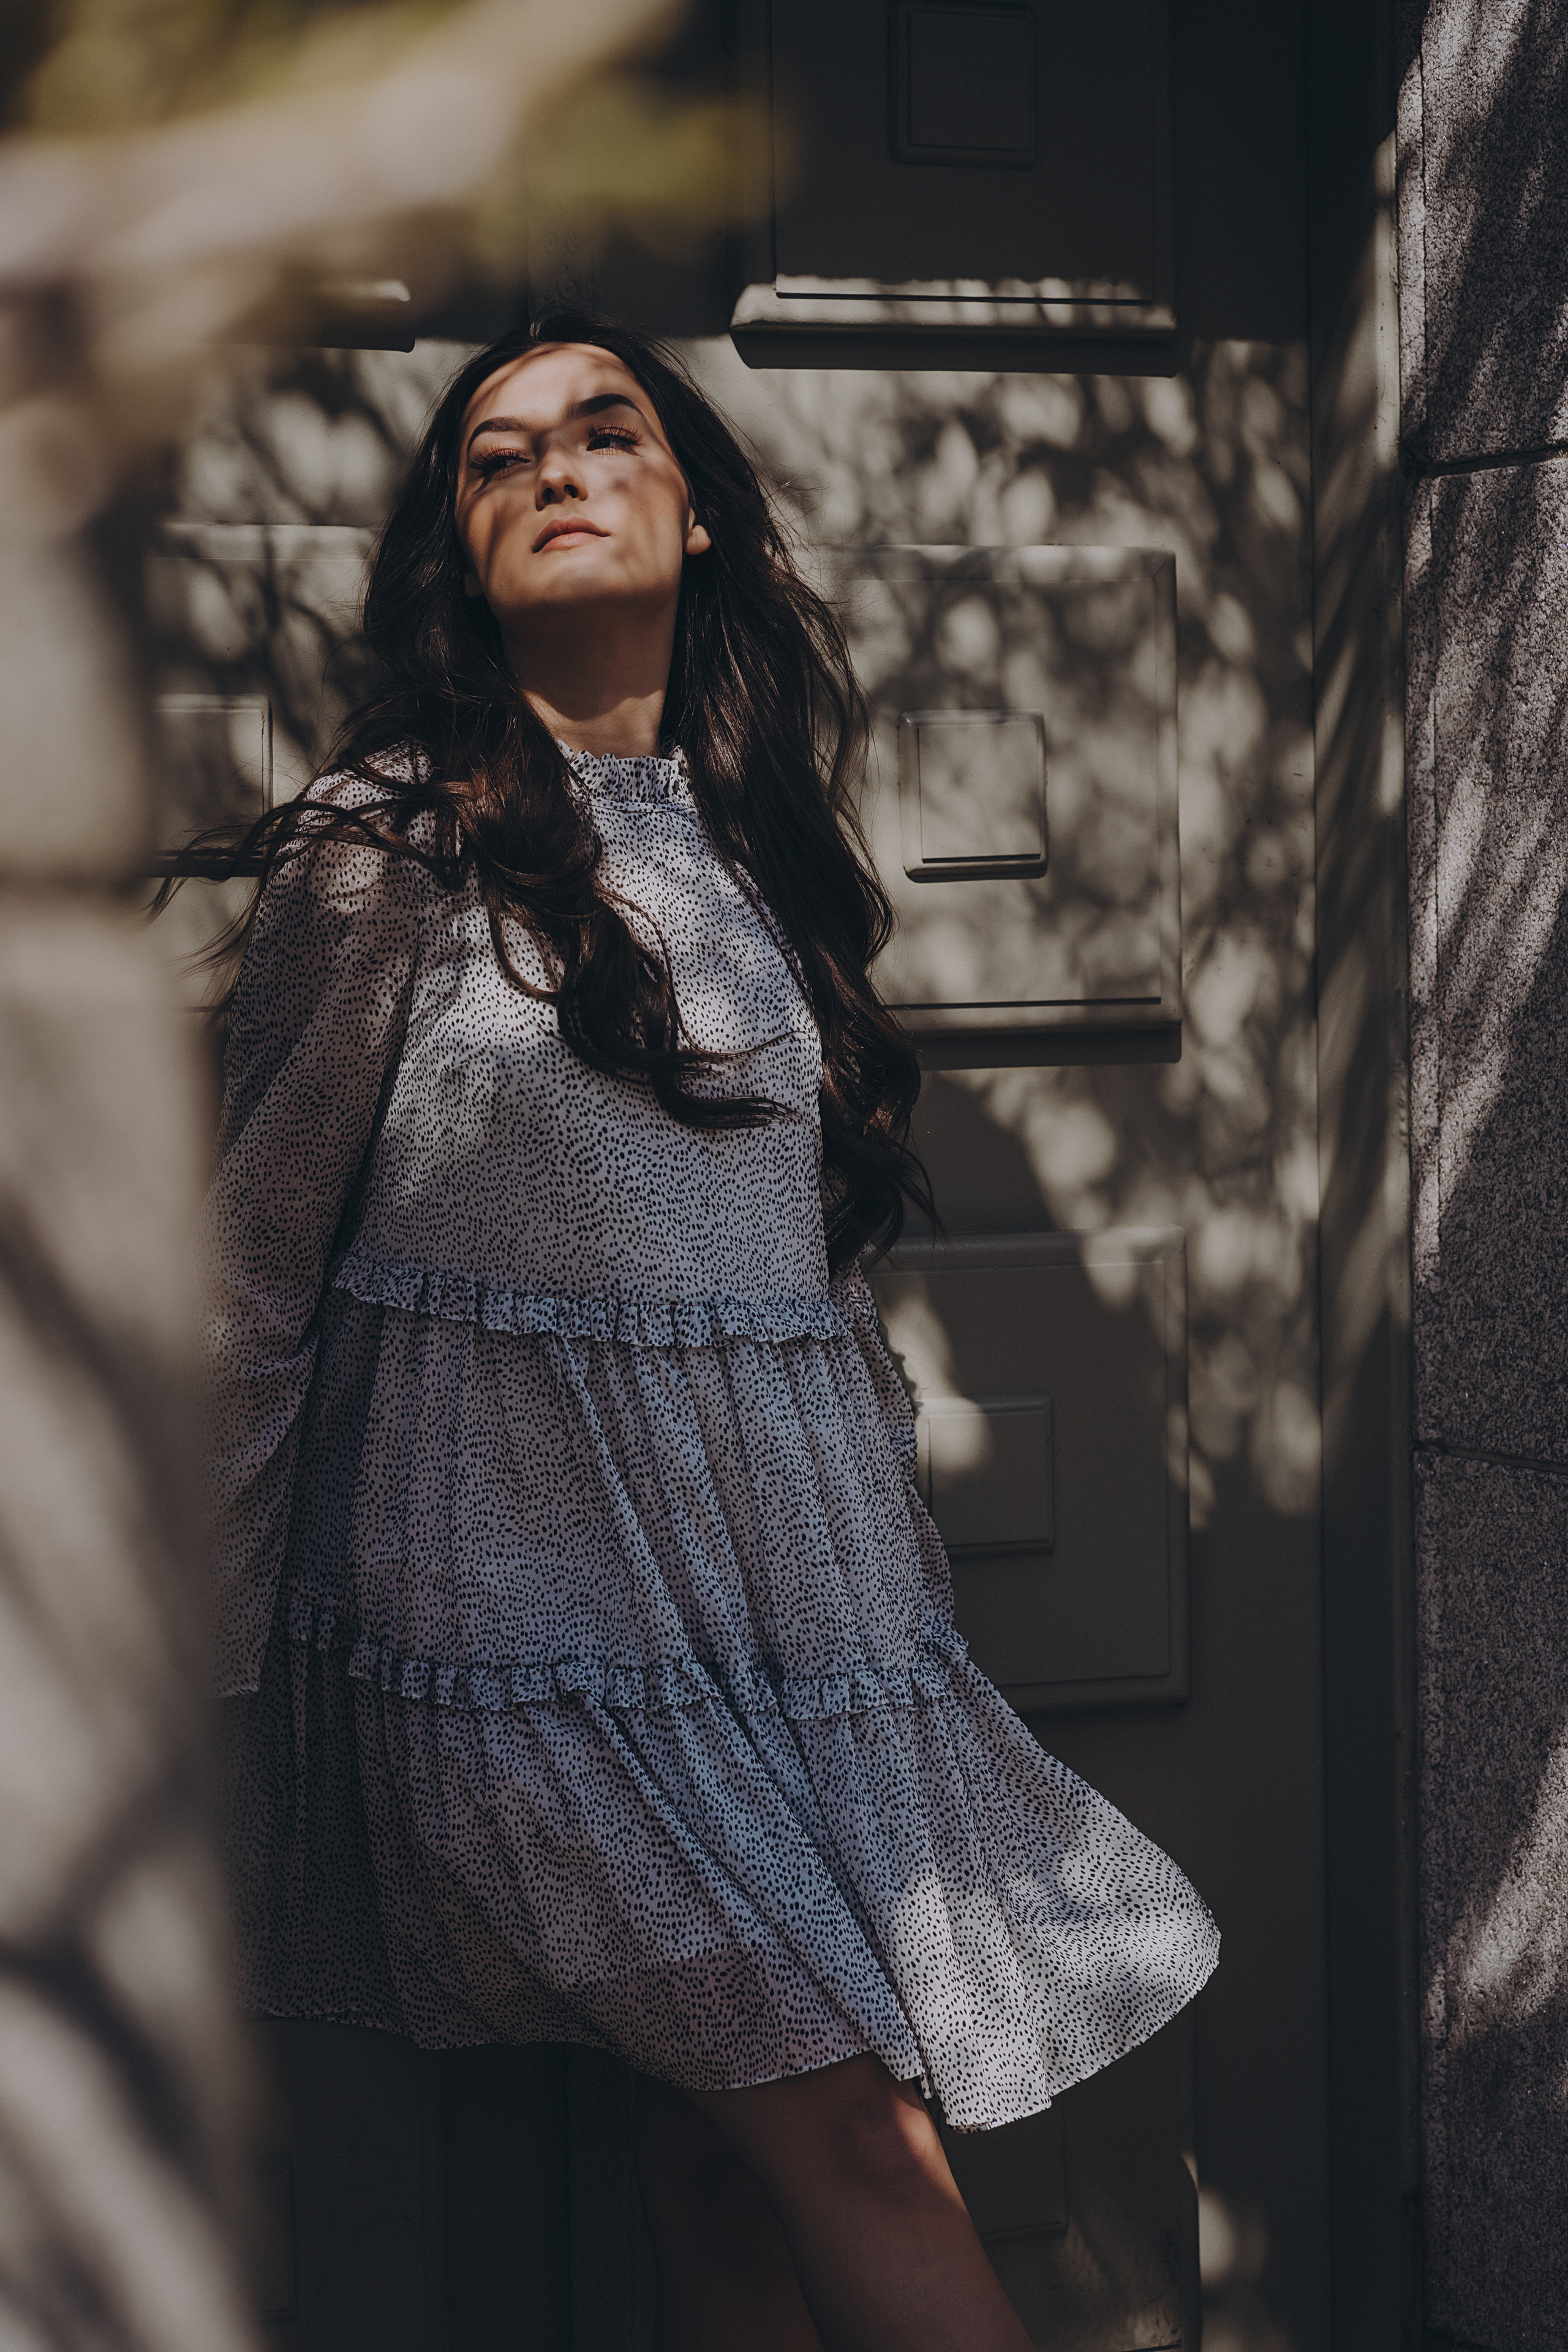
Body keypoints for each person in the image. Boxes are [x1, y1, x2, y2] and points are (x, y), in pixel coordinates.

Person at [198, 311, 1219, 2351]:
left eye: (606, 430)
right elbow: (250, 1265)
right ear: (456, 550)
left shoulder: (763, 845)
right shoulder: (384, 841)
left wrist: (898, 1621)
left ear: (701, 515)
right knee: (853, 2139)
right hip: (518, 1643)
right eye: (499, 457)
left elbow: (816, 1284)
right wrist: (183, 1658)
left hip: (791, 1639)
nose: (560, 468)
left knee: (728, 2186)